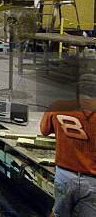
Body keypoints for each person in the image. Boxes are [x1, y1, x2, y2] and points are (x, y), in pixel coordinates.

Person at [40, 74, 96, 217]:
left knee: (58, 213)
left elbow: (44, 130)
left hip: (64, 176)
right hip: (92, 182)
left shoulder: (58, 106)